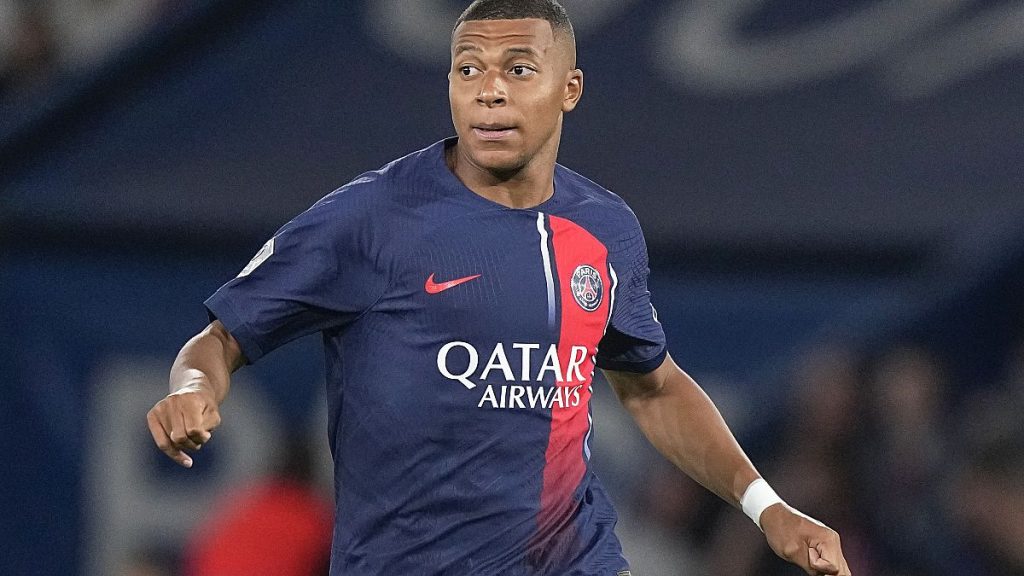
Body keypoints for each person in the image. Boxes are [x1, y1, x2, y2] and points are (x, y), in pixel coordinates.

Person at [146, 1, 852, 574]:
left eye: (518, 68)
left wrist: (769, 509)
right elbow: (220, 339)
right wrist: (191, 391)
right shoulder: (369, 219)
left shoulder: (604, 229)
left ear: (569, 89)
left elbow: (652, 386)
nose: (489, 89)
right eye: (468, 69)